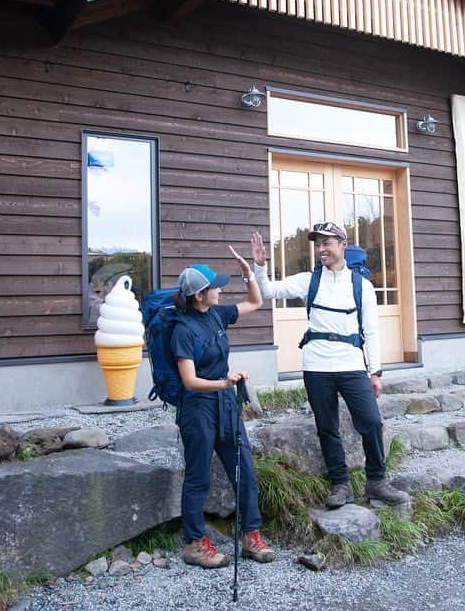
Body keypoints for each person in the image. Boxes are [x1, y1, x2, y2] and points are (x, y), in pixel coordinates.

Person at [251, 223, 410, 508]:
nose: (322, 248)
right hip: (316, 366)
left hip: (351, 364)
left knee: (371, 421)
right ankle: (340, 484)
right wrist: (261, 266)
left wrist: (375, 372)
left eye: (327, 243)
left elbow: (372, 331)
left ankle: (377, 481)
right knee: (327, 427)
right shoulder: (308, 280)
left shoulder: (362, 286)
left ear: (342, 245)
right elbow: (267, 291)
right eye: (318, 244)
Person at [173, 247, 275, 569]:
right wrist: (223, 383)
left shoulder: (216, 314)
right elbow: (189, 381)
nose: (220, 289)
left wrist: (249, 273)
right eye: (215, 286)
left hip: (225, 404)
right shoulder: (182, 330)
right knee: (198, 477)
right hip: (198, 409)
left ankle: (251, 536)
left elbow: (256, 303)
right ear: (200, 295)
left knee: (243, 469)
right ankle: (195, 544)